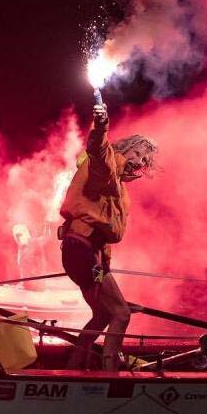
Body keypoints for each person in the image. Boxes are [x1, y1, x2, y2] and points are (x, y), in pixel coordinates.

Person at [58, 102, 158, 370]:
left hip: (87, 254)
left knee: (103, 314)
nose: (140, 161)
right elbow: (99, 152)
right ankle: (110, 374)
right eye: (137, 153)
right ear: (125, 148)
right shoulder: (107, 165)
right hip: (81, 250)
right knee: (121, 314)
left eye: (145, 160)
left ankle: (72, 369)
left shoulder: (120, 189)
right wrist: (101, 126)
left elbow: (104, 244)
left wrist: (110, 282)